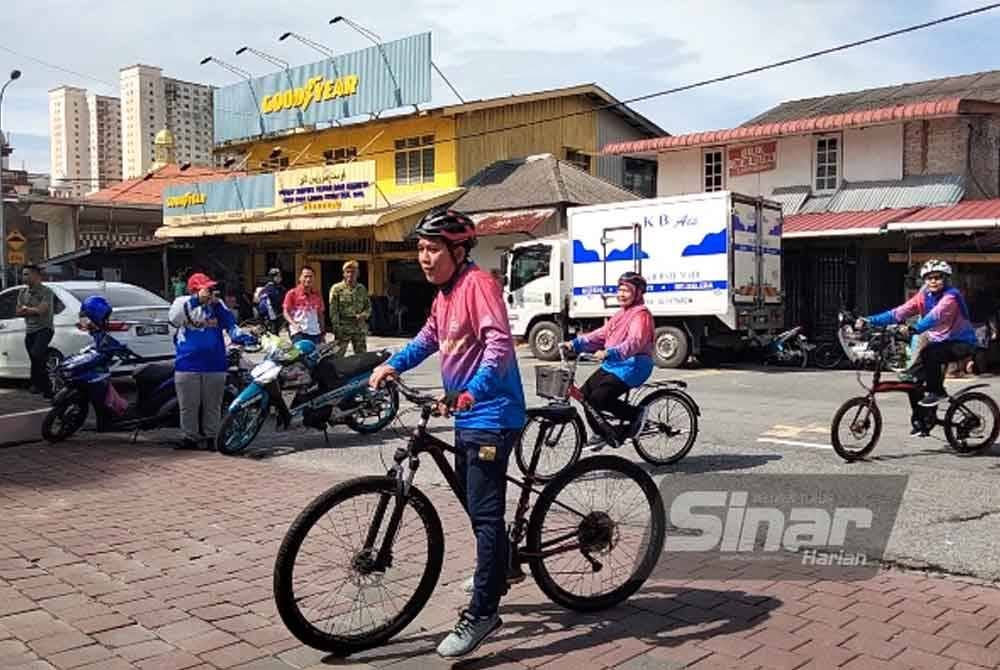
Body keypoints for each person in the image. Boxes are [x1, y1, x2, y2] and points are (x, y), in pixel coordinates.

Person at [369, 210, 525, 659]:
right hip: (469, 415)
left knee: (484, 513)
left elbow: (499, 345)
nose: (424, 257)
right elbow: (428, 338)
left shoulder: (478, 285)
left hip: (493, 414)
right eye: (420, 249)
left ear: (458, 251)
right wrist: (391, 364)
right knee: (477, 506)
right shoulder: (445, 294)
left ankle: (483, 611)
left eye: (433, 248)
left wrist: (471, 393)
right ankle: (500, 564)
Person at [859, 259, 977, 434]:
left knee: (931, 353)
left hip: (961, 343)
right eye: (929, 278)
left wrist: (915, 328)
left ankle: (937, 392)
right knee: (910, 380)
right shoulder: (924, 296)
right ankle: (922, 419)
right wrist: (869, 320)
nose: (933, 281)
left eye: (938, 277)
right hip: (938, 343)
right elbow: (899, 312)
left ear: (946, 279)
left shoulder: (951, 296)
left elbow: (935, 316)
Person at [561, 272, 655, 451]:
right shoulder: (621, 314)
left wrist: (610, 352)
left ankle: (636, 415)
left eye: (626, 290)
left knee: (598, 399)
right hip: (614, 364)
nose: (621, 294)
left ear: (638, 293)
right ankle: (602, 431)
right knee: (584, 395)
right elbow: (600, 335)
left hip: (633, 365)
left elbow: (635, 342)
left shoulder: (641, 315)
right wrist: (574, 344)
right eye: (619, 290)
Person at [169, 272, 255, 450]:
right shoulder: (182, 302)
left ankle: (211, 437)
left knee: (212, 405)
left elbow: (231, 325)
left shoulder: (217, 305)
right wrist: (196, 301)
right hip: (188, 364)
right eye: (206, 288)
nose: (211, 292)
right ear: (195, 290)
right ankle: (189, 437)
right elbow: (174, 320)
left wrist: (245, 337)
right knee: (188, 406)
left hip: (214, 364)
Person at [16, 265, 56, 399]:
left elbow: (42, 311)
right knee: (35, 359)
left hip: (44, 329)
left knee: (37, 354)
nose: (24, 277)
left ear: (36, 276)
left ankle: (42, 386)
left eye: (27, 274)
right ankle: (44, 388)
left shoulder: (46, 291)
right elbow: (18, 311)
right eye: (23, 274)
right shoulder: (23, 292)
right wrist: (31, 310)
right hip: (30, 330)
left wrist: (27, 310)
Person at [328, 260, 371, 357]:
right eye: (348, 272)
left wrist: (364, 315)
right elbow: (333, 310)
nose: (350, 274)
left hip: (359, 327)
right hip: (343, 327)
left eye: (353, 272)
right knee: (337, 356)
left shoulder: (362, 288)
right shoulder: (337, 289)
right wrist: (336, 327)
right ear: (343, 274)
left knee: (362, 356)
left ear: (358, 273)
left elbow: (368, 306)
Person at [282, 266, 325, 345]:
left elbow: (320, 314)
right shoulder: (292, 293)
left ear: (314, 278)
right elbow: (286, 312)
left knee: (315, 356)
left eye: (310, 276)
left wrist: (322, 332)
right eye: (305, 276)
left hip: (315, 332)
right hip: (299, 332)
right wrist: (294, 324)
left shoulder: (317, 294)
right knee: (301, 354)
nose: (308, 279)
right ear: (300, 278)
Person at [256, 267, 286, 335]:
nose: (280, 278)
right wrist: (273, 316)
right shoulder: (268, 288)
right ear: (272, 277)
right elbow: (265, 303)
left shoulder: (280, 288)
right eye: (277, 276)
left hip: (278, 314)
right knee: (272, 334)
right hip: (270, 316)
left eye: (280, 276)